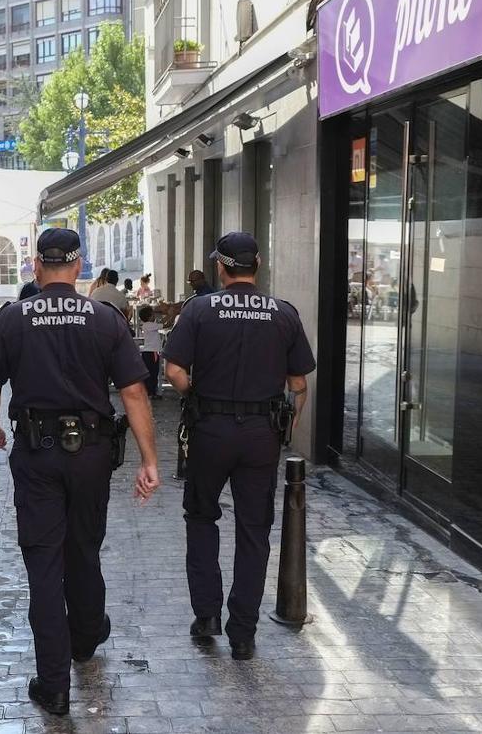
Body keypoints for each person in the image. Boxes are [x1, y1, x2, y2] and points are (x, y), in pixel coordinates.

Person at [0, 228, 161, 715]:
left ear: (37, 266)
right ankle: (84, 638)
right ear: (78, 268)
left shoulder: (13, 318)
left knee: (43, 562)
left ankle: (54, 684)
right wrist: (149, 459)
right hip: (92, 453)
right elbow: (134, 392)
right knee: (84, 548)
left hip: (37, 454)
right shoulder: (105, 318)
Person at [162, 232, 315, 661]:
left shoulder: (199, 309)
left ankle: (207, 615)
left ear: (220, 267)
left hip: (210, 428)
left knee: (201, 517)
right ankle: (243, 633)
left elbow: (173, 371)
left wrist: (198, 394)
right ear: (258, 264)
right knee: (253, 530)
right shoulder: (283, 313)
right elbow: (299, 383)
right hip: (260, 434)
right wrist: (288, 423)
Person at [138, 305, 162, 399]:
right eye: (153, 314)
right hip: (152, 352)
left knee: (150, 373)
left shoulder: (147, 325)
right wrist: (172, 315)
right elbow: (166, 324)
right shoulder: (149, 325)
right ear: (149, 317)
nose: (155, 316)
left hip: (149, 352)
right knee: (153, 372)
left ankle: (151, 391)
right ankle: (151, 392)